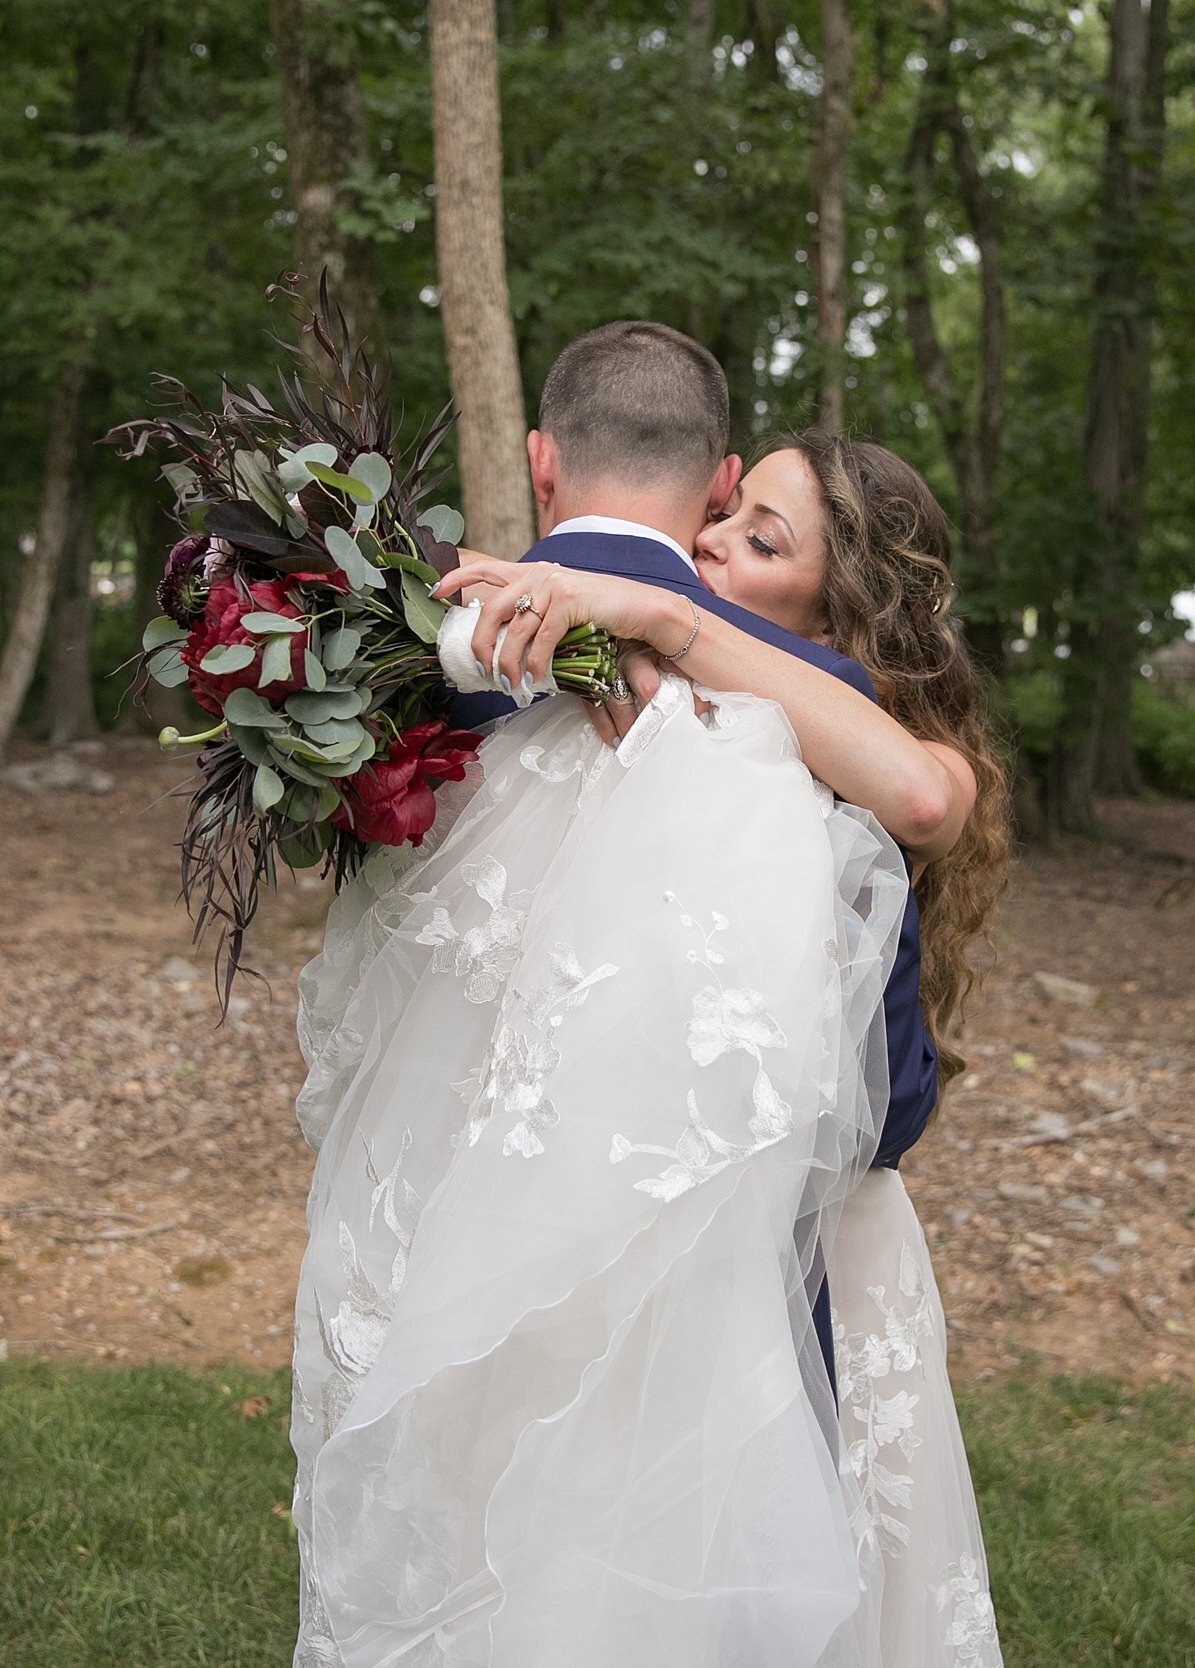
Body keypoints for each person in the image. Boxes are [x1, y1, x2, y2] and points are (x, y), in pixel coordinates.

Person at [289, 324, 1007, 1666]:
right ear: (715, 474)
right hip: (683, 1290)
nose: (732, 540)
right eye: (735, 518)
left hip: (463, 1253)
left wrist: (672, 623)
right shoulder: (818, 713)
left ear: (540, 461)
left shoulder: (400, 678)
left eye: (766, 535)